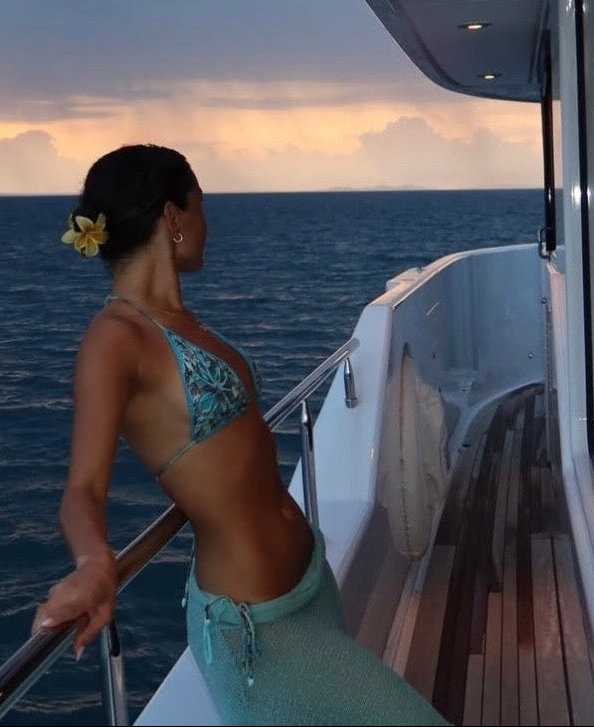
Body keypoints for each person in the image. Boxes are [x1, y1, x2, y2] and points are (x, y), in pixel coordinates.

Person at [32, 144, 447, 725]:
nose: (208, 224)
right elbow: (83, 488)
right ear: (173, 217)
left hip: (307, 587)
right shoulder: (114, 337)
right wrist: (94, 564)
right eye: (201, 207)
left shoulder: (183, 323)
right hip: (256, 632)